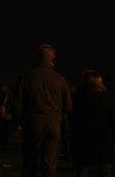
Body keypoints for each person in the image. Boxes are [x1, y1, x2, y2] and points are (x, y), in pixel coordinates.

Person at [14, 44, 72, 177]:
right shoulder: (61, 80)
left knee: (29, 161)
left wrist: (19, 121)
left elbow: (18, 103)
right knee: (49, 165)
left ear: (38, 57)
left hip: (32, 122)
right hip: (53, 123)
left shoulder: (25, 77)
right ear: (53, 58)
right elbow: (68, 107)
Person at [69, 70, 115, 177]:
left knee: (83, 171)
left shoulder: (78, 99)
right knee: (105, 170)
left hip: (83, 141)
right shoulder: (106, 99)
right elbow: (113, 123)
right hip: (102, 140)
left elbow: (73, 120)